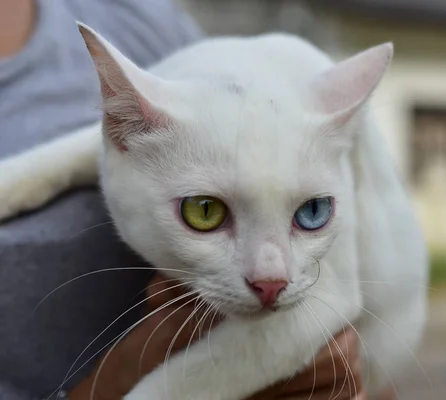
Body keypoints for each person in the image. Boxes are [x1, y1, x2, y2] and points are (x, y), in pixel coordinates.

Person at [0, 1, 364, 399]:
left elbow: (219, 142)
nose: (271, 278)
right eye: (205, 212)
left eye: (311, 212)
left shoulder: (140, 17)